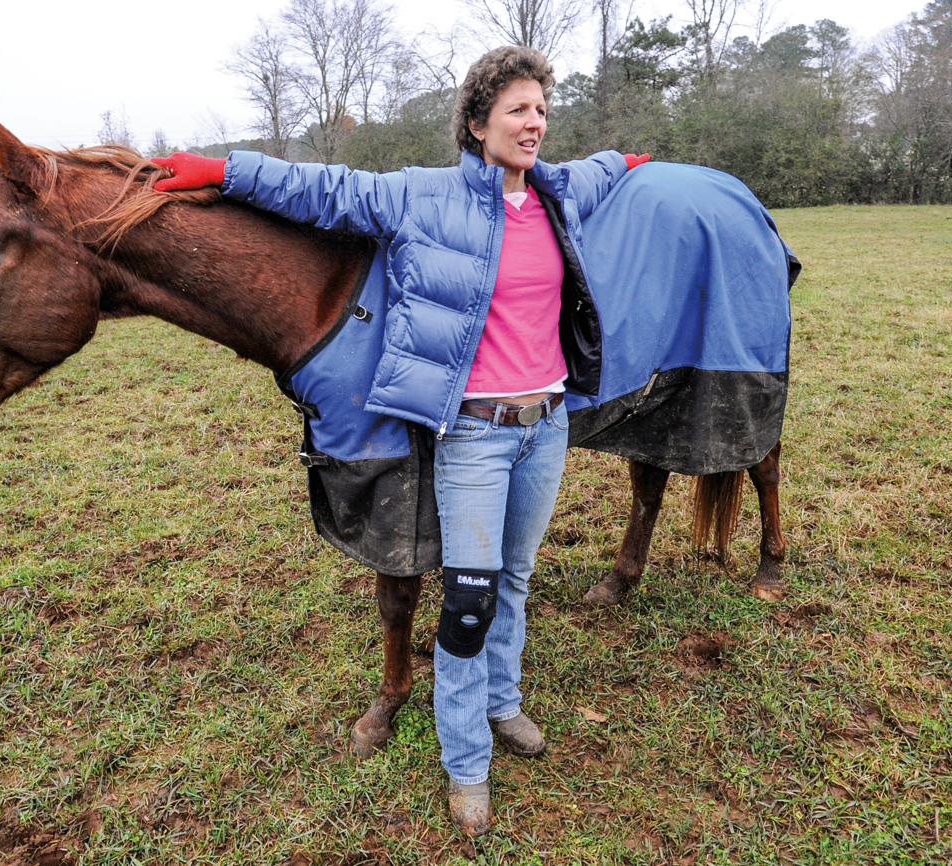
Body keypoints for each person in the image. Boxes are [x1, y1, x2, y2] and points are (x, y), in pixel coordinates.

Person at [152, 46, 648, 835]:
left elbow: (601, 168)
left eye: (543, 110)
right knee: (469, 598)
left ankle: (503, 704)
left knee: (515, 577)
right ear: (478, 121)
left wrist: (627, 159)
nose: (535, 123)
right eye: (519, 109)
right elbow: (319, 186)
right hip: (476, 437)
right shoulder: (420, 197)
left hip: (544, 427)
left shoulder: (557, 193)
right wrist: (217, 170)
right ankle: (465, 764)